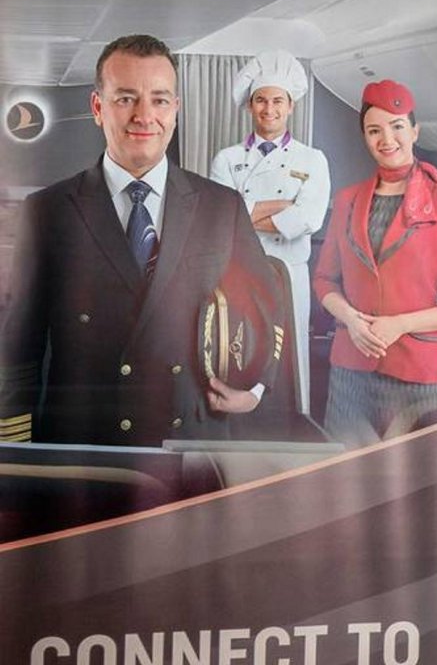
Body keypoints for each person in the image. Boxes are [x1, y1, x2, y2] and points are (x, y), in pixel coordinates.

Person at [0, 34, 280, 446]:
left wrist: (255, 390)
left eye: (160, 100)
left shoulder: (222, 208)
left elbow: (266, 304)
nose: (144, 116)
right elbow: (18, 345)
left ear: (176, 110)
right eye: (126, 98)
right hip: (83, 448)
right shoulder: (47, 211)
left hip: (190, 439)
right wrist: (17, 451)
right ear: (98, 108)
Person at [311, 79, 437, 447]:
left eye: (396, 126)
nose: (386, 139)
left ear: (414, 130)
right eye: (374, 130)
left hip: (417, 373)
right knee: (345, 488)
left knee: (417, 490)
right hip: (350, 371)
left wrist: (399, 324)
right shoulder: (346, 201)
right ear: (365, 137)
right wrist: (352, 321)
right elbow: (325, 280)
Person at [209, 50, 331, 414]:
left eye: (278, 100)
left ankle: (294, 420)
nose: (269, 109)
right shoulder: (226, 159)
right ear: (250, 106)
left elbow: (309, 219)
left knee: (290, 355)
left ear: (290, 106)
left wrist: (244, 213)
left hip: (289, 274)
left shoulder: (312, 159)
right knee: (240, 348)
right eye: (261, 100)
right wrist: (279, 207)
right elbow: (220, 219)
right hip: (238, 272)